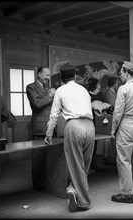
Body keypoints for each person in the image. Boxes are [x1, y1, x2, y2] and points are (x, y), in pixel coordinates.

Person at [45, 64, 95, 212]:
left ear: (62, 78)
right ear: (74, 76)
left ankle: (83, 202)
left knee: (75, 165)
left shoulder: (60, 90)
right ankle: (73, 189)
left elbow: (54, 115)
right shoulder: (84, 90)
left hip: (73, 126)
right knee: (84, 165)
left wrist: (49, 134)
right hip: (90, 126)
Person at [111, 61, 133, 203]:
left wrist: (113, 129)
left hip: (126, 124)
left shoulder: (123, 89)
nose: (120, 76)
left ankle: (127, 194)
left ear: (127, 72)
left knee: (124, 160)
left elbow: (118, 112)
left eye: (121, 73)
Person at [26, 66, 56, 190]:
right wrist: (50, 95)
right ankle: (38, 184)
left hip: (51, 126)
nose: (48, 78)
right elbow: (37, 104)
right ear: (39, 74)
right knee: (38, 157)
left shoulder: (48, 89)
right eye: (46, 75)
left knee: (50, 157)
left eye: (49, 76)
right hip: (39, 126)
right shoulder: (31, 87)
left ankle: (49, 181)